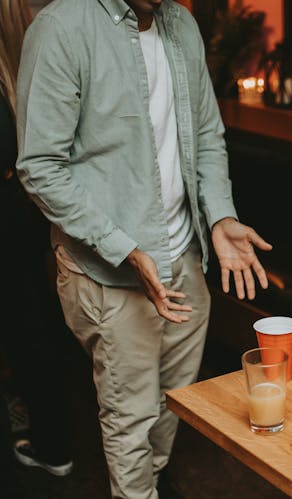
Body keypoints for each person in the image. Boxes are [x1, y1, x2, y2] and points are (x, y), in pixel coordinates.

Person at [15, 0, 272, 497]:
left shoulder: (182, 24)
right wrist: (125, 248)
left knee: (169, 408)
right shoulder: (62, 28)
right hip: (110, 274)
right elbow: (41, 166)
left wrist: (219, 215)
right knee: (129, 421)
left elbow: (207, 135)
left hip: (185, 262)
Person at [0, 0, 74, 480]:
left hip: (13, 209)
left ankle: (49, 442)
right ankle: (51, 439)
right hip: (19, 209)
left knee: (28, 325)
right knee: (31, 321)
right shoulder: (23, 60)